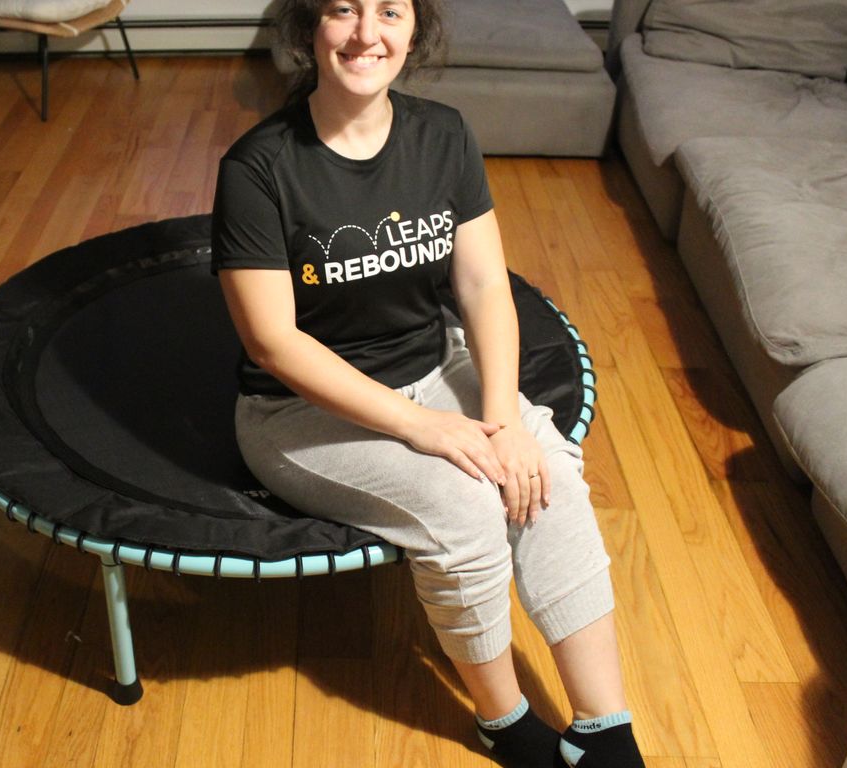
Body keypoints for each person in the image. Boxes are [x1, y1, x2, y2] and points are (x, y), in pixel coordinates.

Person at [210, 2, 647, 767]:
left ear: (416, 28)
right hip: (297, 411)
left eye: (390, 11)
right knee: (464, 510)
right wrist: (423, 429)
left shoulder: (443, 134)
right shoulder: (258, 168)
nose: (366, 34)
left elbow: (482, 286)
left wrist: (503, 419)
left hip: (432, 362)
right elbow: (273, 343)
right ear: (309, 27)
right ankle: (503, 720)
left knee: (546, 475)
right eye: (342, 10)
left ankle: (607, 732)